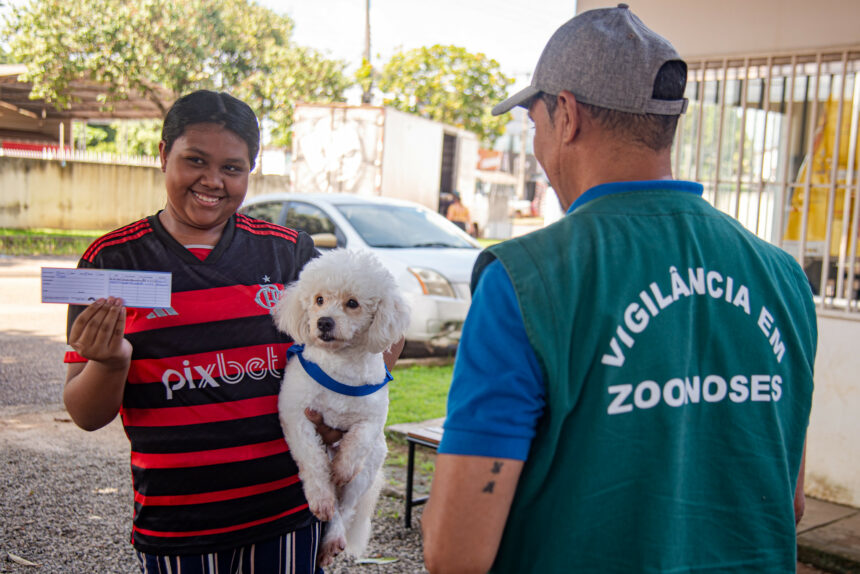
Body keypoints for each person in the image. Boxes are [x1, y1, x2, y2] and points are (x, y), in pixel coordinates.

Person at [421, 5, 816, 573]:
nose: (538, 148)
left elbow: (455, 553)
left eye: (534, 125)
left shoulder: (525, 280)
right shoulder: (784, 278)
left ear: (567, 115)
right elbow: (790, 500)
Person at [63, 90, 402, 573]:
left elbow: (382, 337)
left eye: (232, 168)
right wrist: (111, 361)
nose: (212, 181)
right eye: (195, 160)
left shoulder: (288, 253)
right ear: (163, 155)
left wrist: (349, 410)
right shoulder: (112, 262)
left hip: (286, 514)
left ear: (251, 170)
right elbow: (84, 413)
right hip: (177, 522)